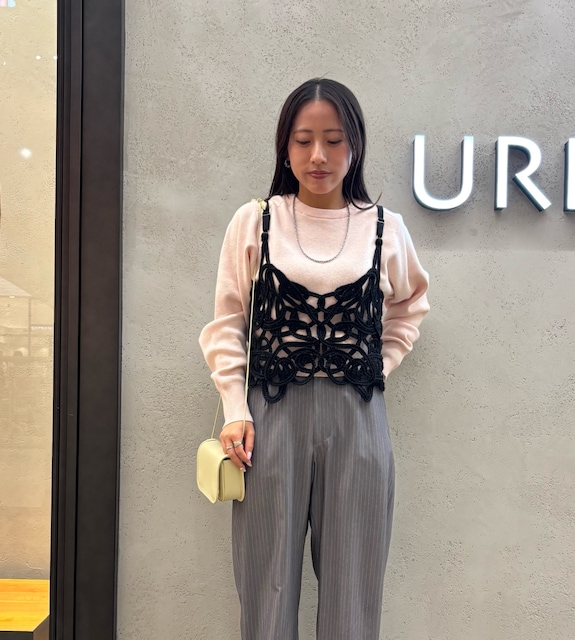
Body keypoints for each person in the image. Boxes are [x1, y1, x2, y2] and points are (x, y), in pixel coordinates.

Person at [199, 78, 430, 640]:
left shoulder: (385, 228)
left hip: (359, 421)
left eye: (334, 139)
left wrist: (377, 364)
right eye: (304, 140)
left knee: (354, 588)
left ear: (356, 145)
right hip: (269, 420)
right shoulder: (256, 221)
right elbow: (227, 323)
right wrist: (234, 408)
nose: (319, 156)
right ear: (285, 146)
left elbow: (410, 307)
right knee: (266, 585)